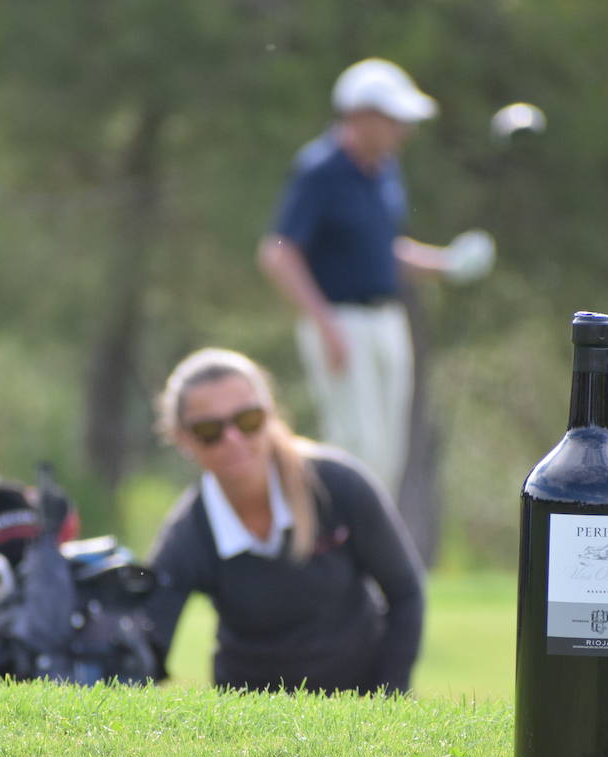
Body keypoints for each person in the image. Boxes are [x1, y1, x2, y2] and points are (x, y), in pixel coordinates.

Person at [256, 57, 494, 497]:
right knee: (355, 447)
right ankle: (339, 555)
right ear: (360, 116)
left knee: (388, 455)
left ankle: (370, 560)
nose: (404, 131)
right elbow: (278, 254)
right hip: (340, 322)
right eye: (394, 120)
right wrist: (324, 324)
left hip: (387, 319)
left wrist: (448, 264)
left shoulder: (385, 171)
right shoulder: (320, 170)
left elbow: (383, 250)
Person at [144, 347, 425, 694]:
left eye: (248, 420)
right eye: (209, 429)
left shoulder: (338, 485)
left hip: (360, 703)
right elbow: (148, 639)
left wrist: (388, 700)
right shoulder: (189, 531)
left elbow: (406, 592)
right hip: (250, 722)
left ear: (270, 414)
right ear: (183, 439)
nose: (232, 439)